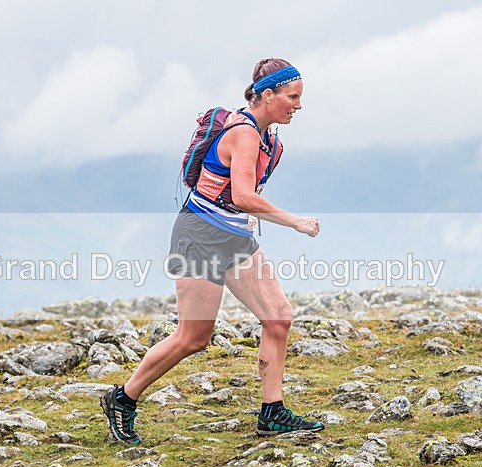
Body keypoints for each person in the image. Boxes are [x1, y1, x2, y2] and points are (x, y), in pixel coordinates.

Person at [101, 58, 323, 445]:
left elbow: (240, 202)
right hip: (199, 236)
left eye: (299, 98)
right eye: (292, 97)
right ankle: (123, 398)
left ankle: (272, 413)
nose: (298, 105)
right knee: (194, 337)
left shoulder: (273, 141)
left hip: (235, 239)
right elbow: (242, 196)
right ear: (267, 94)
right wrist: (296, 221)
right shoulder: (243, 133)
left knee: (278, 319)